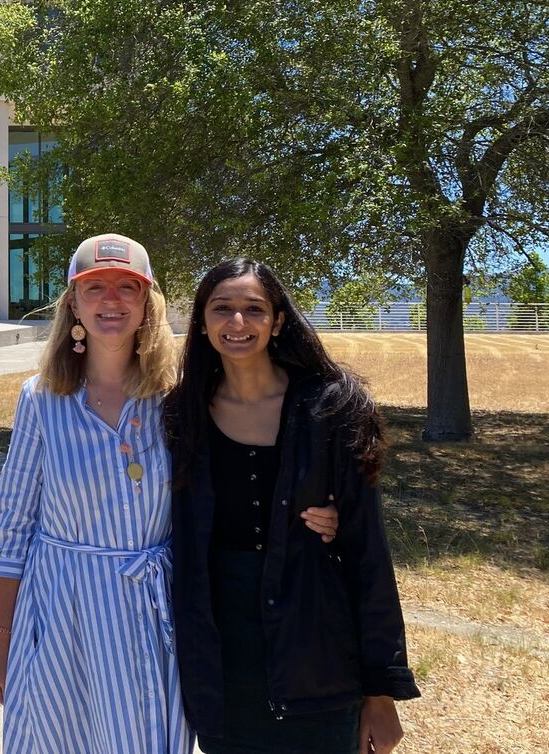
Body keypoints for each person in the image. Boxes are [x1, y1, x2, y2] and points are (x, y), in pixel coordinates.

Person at [0, 235, 338, 754]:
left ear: (147, 303)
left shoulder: (182, 393)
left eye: (128, 287)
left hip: (153, 612)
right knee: (58, 738)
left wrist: (324, 510)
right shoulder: (41, 397)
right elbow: (14, 526)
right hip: (62, 607)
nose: (112, 300)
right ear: (73, 304)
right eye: (95, 287)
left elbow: (246, 474)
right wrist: (2, 638)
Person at [164, 258, 420, 754]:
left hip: (317, 651)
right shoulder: (181, 414)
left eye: (254, 309)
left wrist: (380, 690)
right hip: (220, 658)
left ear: (279, 321)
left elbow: (369, 556)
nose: (237, 323)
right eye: (222, 309)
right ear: (201, 321)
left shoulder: (332, 407)